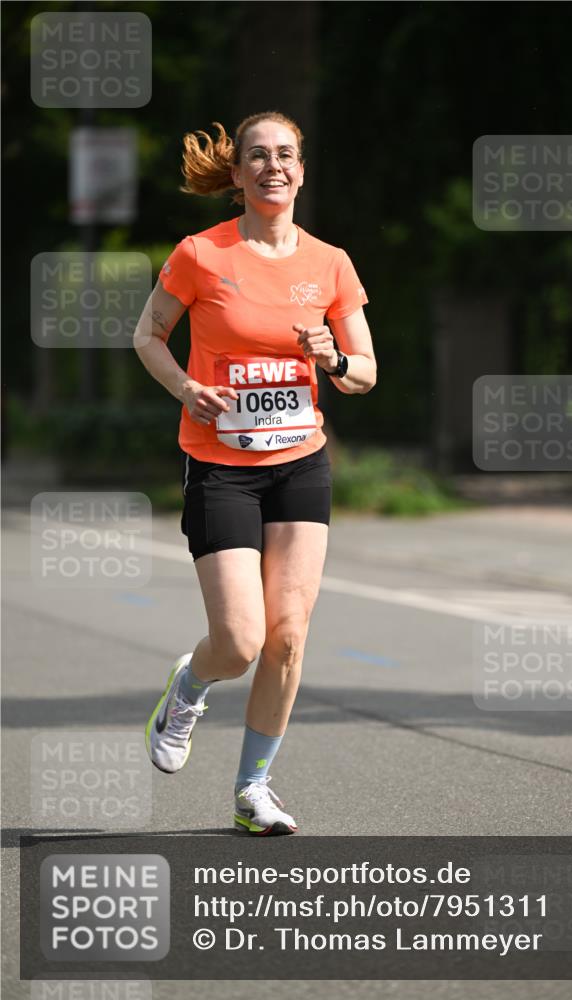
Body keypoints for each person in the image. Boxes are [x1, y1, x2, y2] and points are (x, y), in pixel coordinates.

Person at [134, 111, 376, 835]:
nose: (273, 166)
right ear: (236, 174)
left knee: (289, 637)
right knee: (239, 641)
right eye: (258, 156)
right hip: (220, 467)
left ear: (301, 171)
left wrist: (330, 357)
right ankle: (188, 687)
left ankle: (252, 791)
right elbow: (146, 334)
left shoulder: (329, 262)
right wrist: (186, 389)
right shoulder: (200, 256)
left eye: (286, 155)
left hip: (300, 463)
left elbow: (363, 371)